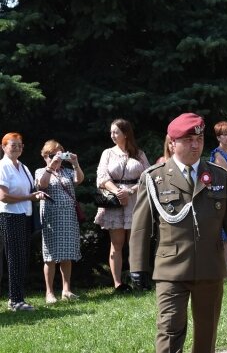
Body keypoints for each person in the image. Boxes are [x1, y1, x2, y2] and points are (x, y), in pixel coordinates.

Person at [129, 113, 227, 353]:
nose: (195, 145)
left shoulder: (217, 175)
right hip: (171, 267)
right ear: (173, 142)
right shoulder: (155, 177)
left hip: (210, 264)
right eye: (188, 140)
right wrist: (137, 266)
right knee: (169, 326)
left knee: (207, 325)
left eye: (199, 139)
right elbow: (141, 225)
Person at [95, 119, 150, 293]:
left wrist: (130, 192)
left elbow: (148, 177)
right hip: (114, 200)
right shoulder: (107, 153)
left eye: (116, 132)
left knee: (134, 243)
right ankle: (118, 283)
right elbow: (102, 177)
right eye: (111, 132)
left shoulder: (139, 154)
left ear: (125, 134)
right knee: (116, 244)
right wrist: (118, 192)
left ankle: (138, 281)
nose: (112, 135)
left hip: (134, 200)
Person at [0, 133, 49, 311]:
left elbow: (30, 190)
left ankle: (17, 298)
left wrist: (37, 194)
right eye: (13, 145)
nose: (17, 148)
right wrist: (29, 197)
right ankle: (15, 301)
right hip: (9, 216)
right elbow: (3, 197)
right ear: (3, 147)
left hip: (24, 216)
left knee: (21, 258)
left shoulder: (23, 167)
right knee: (14, 258)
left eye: (20, 145)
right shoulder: (3, 166)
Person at [35, 140, 84, 303]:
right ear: (44, 156)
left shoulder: (67, 171)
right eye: (51, 155)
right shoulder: (40, 171)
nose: (56, 159)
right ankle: (49, 293)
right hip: (51, 217)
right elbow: (42, 185)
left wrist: (75, 163)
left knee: (67, 254)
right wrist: (51, 166)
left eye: (58, 155)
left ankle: (66, 290)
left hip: (68, 217)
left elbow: (79, 180)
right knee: (50, 256)